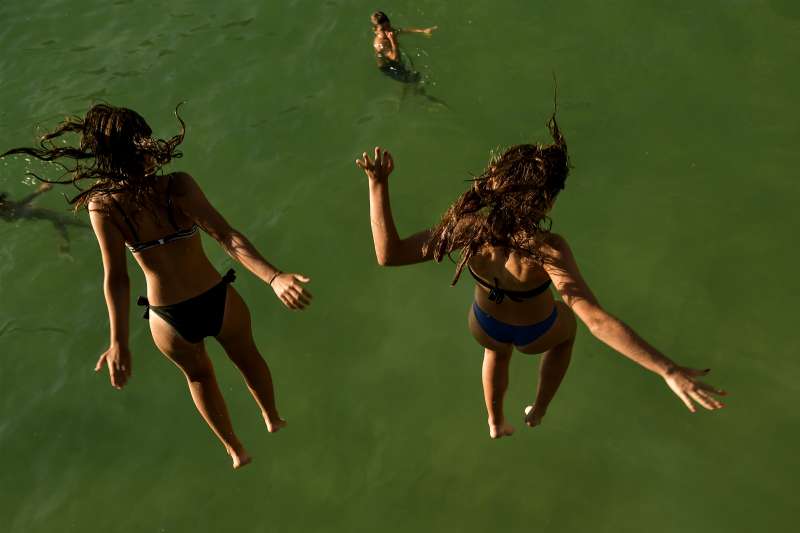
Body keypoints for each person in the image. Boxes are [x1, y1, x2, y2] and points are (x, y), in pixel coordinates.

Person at [355, 115, 726, 439]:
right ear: (544, 203)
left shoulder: (469, 229)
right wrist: (668, 369)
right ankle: (539, 408)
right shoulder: (547, 249)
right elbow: (596, 321)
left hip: (484, 324)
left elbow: (389, 255)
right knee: (568, 331)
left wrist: (378, 186)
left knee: (495, 351)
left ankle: (495, 421)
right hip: (536, 335)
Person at [2, 104, 313, 468]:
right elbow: (226, 237)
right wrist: (273, 277)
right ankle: (271, 417)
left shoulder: (102, 205)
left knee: (199, 377)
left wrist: (118, 341)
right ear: (141, 144)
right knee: (246, 354)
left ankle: (235, 449)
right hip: (217, 298)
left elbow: (117, 277)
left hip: (167, 318)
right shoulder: (176, 185)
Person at [0, 181, 86, 253]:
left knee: (57, 219)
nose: (5, 202)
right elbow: (18, 207)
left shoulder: (7, 209)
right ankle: (67, 242)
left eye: (3, 200)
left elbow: (19, 204)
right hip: (33, 212)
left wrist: (39, 191)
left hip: (32, 212)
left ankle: (65, 244)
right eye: (2, 201)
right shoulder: (7, 212)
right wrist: (39, 191)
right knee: (59, 219)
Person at [371, 10, 437, 84]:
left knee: (411, 73)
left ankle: (407, 88)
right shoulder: (380, 44)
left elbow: (403, 31)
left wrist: (423, 31)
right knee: (414, 79)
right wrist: (393, 40)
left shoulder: (390, 31)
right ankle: (410, 91)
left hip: (393, 59)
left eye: (388, 26)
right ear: (375, 31)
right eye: (383, 29)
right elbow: (396, 59)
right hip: (388, 67)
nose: (388, 31)